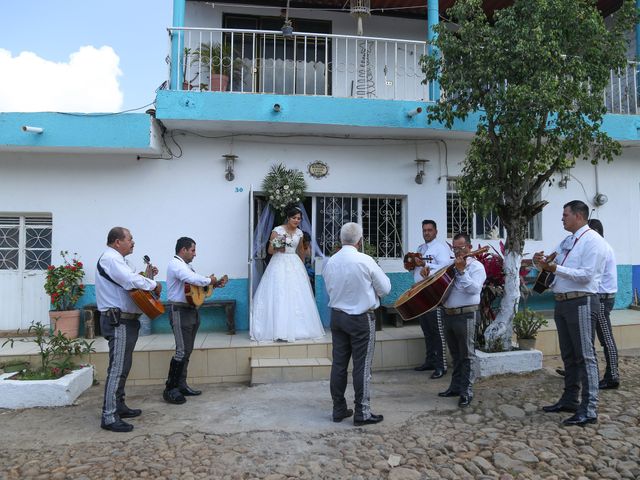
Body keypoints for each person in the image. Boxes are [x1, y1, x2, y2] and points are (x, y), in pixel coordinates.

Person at [534, 200, 607, 426]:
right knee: (569, 355)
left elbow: (586, 275)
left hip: (582, 302)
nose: (562, 218)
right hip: (563, 302)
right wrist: (542, 263)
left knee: (585, 356)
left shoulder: (593, 241)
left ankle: (590, 408)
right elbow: (554, 267)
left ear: (578, 216)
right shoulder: (567, 241)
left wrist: (555, 268)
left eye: (565, 215)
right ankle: (569, 399)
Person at [323, 222, 391, 426]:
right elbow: (385, 288)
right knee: (362, 366)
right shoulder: (365, 260)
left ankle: (338, 408)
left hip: (337, 316)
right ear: (359, 241)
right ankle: (362, 411)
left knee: (339, 364)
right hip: (361, 318)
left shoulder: (331, 262)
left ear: (341, 239)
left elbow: (329, 288)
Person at [96, 227, 161, 432]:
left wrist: (147, 276)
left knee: (123, 367)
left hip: (126, 320)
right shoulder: (111, 258)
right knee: (117, 368)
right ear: (117, 242)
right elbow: (130, 280)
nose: (133, 242)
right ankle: (109, 416)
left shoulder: (120, 261)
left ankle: (119, 406)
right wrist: (153, 283)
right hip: (118, 321)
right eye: (130, 239)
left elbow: (133, 280)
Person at [164, 237, 227, 404]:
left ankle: (181, 384)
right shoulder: (176, 264)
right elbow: (192, 279)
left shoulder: (187, 266)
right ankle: (170, 389)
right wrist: (209, 280)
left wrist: (213, 285)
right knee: (181, 351)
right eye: (193, 250)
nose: (195, 254)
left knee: (187, 350)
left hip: (190, 311)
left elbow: (195, 287)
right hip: (179, 310)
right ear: (183, 250)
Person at [250, 205, 325, 342]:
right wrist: (279, 247)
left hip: (294, 263)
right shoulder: (277, 230)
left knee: (296, 293)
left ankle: (298, 329)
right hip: (278, 262)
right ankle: (277, 329)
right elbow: (269, 251)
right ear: (288, 218)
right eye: (294, 218)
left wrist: (302, 268)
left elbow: (301, 252)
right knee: (279, 292)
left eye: (299, 219)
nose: (297, 221)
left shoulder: (300, 233)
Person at [438, 233, 486, 408]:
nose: (458, 251)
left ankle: (467, 391)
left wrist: (462, 271)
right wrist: (425, 272)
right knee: (455, 354)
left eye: (461, 247)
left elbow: (474, 290)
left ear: (470, 248)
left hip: (467, 314)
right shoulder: (450, 264)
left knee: (467, 354)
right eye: (455, 247)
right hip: (449, 314)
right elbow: (436, 276)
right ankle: (455, 386)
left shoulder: (477, 267)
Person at [409, 220, 452, 379]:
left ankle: (441, 365)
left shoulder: (440, 248)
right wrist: (413, 265)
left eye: (429, 230)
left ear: (436, 232)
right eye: (424, 230)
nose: (426, 233)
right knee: (426, 329)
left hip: (433, 294)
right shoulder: (421, 248)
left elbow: (445, 267)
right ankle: (430, 361)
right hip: (420, 293)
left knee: (437, 331)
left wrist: (426, 265)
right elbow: (417, 268)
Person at [588, 219, 620, 390]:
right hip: (597, 297)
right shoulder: (598, 247)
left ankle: (613, 375)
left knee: (606, 338)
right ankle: (582, 370)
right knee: (588, 338)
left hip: (602, 299)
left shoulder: (601, 248)